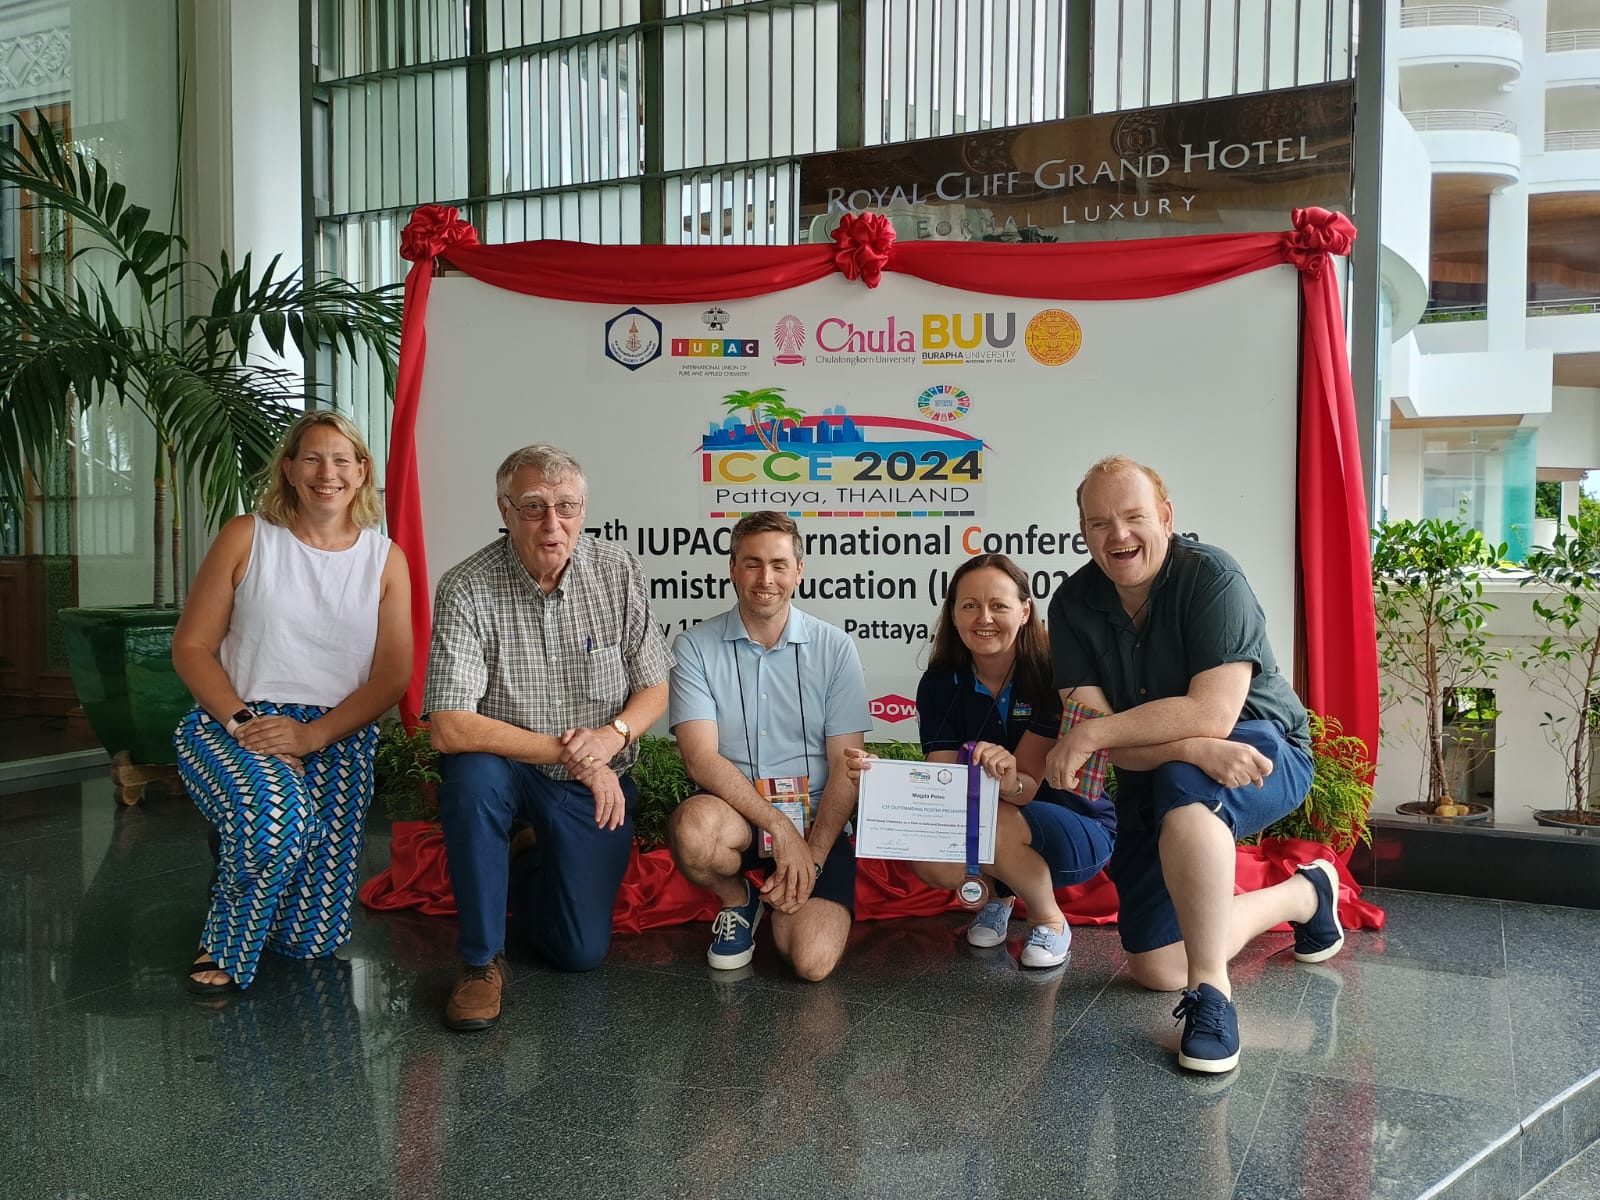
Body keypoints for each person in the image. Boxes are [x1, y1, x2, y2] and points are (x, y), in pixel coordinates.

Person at [1035, 455, 1345, 1074]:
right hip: (1176, 760)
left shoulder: (1211, 577)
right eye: (1099, 524)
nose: (1118, 536)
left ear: (1166, 518)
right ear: (1083, 532)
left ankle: (1211, 996)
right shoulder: (1071, 604)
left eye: (1133, 517)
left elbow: (1215, 713)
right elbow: (1117, 747)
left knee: (1186, 785)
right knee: (1155, 966)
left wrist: (1105, 733)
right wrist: (1184, 744)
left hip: (1264, 747)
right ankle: (1304, 896)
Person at [425, 444, 671, 1032]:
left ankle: (526, 853)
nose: (552, 524)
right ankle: (481, 962)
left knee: (579, 953)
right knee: (472, 776)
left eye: (567, 506)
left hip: (591, 781)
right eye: (534, 506)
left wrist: (610, 741)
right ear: (505, 509)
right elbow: (449, 725)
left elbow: (654, 689)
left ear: (584, 510)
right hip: (510, 769)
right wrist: (572, 754)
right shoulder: (467, 587)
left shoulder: (618, 571)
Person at [172, 411, 412, 995]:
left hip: (337, 731)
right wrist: (245, 723)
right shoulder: (247, 535)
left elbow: (391, 678)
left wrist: (313, 736)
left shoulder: (385, 560)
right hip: (238, 720)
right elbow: (192, 647)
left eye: (340, 460)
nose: (325, 472)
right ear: (288, 469)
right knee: (277, 819)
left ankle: (246, 863)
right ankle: (224, 943)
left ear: (361, 473)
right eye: (310, 457)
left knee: (309, 941)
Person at [845, 553, 1114, 968]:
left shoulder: (1051, 674)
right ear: (953, 614)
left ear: (1025, 611)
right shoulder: (939, 682)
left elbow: (1024, 791)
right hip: (995, 825)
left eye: (999, 605)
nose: (983, 617)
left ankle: (1050, 920)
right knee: (930, 859)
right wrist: (885, 779)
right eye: (969, 605)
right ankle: (1000, 897)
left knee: (999, 815)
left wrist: (1006, 777)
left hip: (1077, 828)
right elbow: (943, 779)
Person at [666, 511, 869, 982]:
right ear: (733, 568)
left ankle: (789, 895)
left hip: (816, 820)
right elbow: (700, 760)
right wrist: (780, 829)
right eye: (752, 563)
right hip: (736, 815)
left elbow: (846, 767)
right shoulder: (694, 646)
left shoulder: (835, 647)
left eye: (779, 564)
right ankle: (740, 900)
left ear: (799, 570)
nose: (766, 578)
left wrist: (811, 860)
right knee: (694, 831)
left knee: (812, 963)